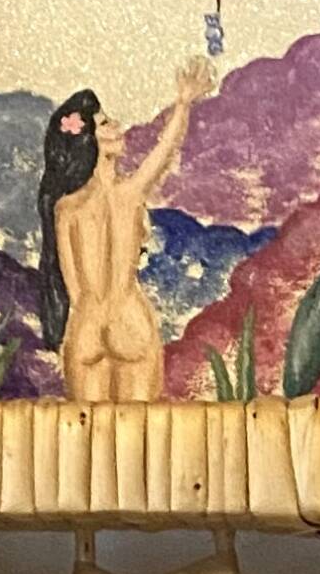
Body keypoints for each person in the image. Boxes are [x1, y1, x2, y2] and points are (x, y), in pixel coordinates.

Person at [53, 54, 216, 402]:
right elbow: (165, 150)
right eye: (106, 123)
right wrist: (183, 104)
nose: (117, 127)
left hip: (87, 328)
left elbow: (73, 287)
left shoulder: (66, 208)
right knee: (140, 441)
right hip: (131, 321)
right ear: (90, 140)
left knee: (87, 440)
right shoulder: (131, 194)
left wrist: (183, 103)